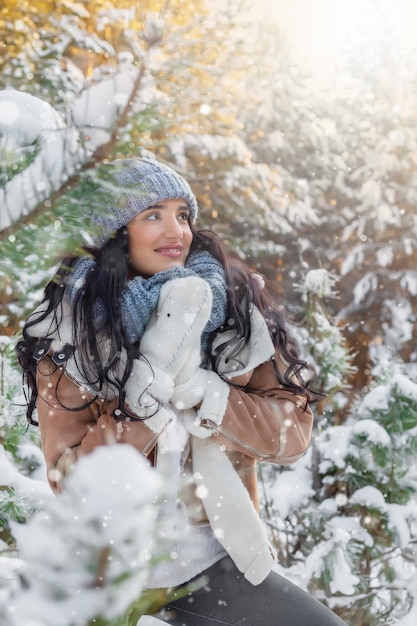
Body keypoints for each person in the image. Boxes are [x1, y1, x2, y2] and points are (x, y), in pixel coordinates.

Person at [17, 156, 347, 625]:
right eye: (152, 215)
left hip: (211, 568)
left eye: (182, 215)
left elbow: (290, 433)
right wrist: (144, 398)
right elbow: (72, 482)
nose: (177, 231)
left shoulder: (231, 309)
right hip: (107, 576)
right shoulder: (70, 333)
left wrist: (207, 393)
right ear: (112, 232)